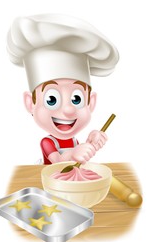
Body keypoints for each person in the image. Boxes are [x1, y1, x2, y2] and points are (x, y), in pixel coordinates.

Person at [7, 14, 119, 164]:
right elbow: (59, 162)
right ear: (30, 103)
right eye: (51, 99)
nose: (68, 110)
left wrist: (91, 143)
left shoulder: (74, 141)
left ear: (91, 103)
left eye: (76, 99)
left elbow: (77, 162)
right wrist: (76, 152)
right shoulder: (47, 143)